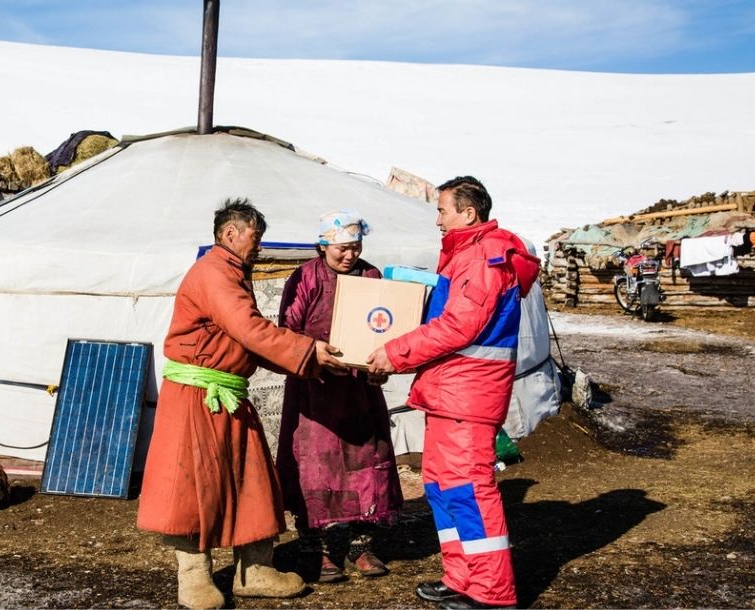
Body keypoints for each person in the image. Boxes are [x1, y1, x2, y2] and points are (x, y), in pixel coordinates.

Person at [136, 197, 348, 610]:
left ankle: (255, 571)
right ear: (230, 233)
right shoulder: (214, 273)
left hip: (229, 394)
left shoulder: (233, 272)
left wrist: (313, 363)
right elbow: (248, 328)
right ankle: (193, 576)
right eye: (255, 236)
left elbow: (247, 338)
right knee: (193, 485)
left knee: (252, 479)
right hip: (196, 396)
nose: (259, 245)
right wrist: (308, 351)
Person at [366, 177, 540, 610]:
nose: (438, 221)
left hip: (469, 393)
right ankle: (461, 577)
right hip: (450, 391)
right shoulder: (465, 256)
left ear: (469, 213)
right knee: (442, 486)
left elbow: (460, 326)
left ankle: (491, 593)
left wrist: (394, 352)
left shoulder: (483, 258)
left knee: (467, 488)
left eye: (443, 211)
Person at [275, 210, 403, 583]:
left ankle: (361, 546)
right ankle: (322, 551)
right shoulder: (305, 278)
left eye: (356, 247)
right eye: (342, 249)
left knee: (367, 463)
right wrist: (313, 354)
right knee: (316, 468)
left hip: (359, 390)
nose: (350, 256)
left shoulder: (371, 276)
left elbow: (387, 324)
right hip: (315, 391)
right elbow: (287, 332)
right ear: (323, 246)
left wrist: (384, 363)